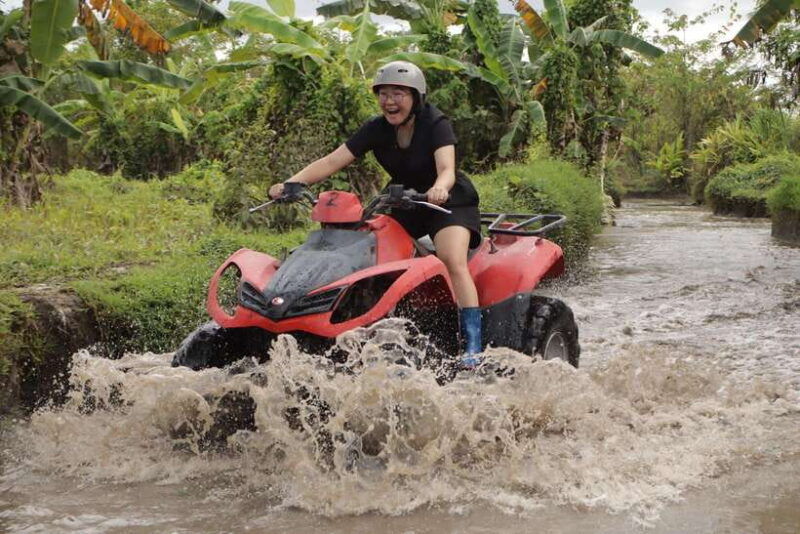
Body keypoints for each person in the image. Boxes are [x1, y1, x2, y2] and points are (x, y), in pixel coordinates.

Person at [268, 61, 483, 366]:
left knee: (451, 258)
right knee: (366, 250)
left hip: (445, 201)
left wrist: (439, 187)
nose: (389, 101)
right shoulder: (376, 128)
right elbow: (333, 160)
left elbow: (447, 168)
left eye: (398, 93)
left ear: (416, 97)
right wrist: (292, 183)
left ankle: (472, 344)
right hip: (401, 199)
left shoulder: (436, 123)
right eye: (383, 93)